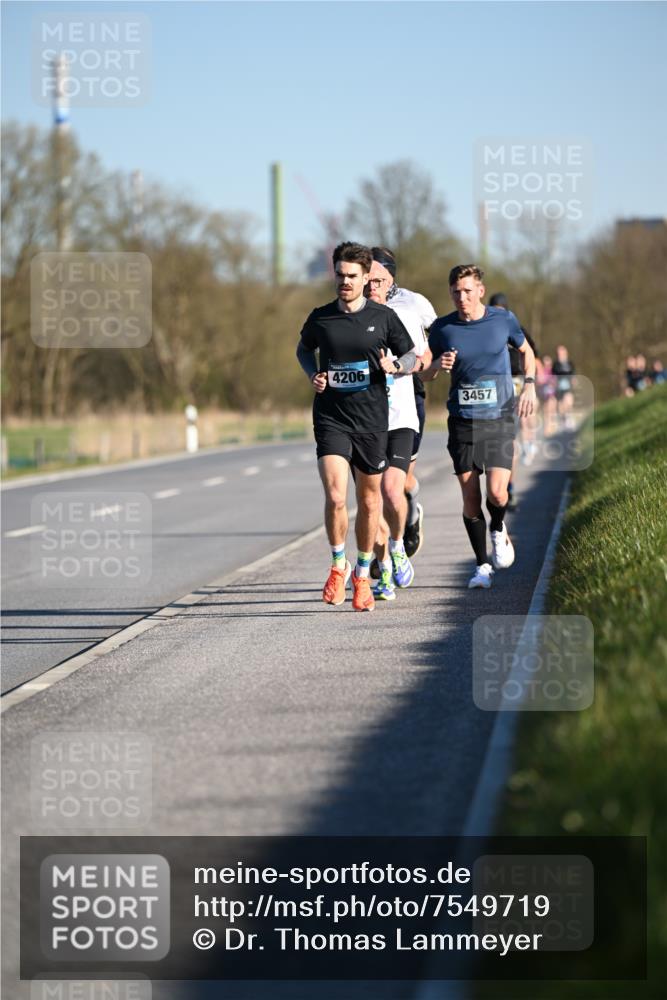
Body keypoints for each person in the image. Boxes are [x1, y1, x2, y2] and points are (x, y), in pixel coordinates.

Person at [296, 241, 416, 611]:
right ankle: (337, 565)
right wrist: (314, 373)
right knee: (335, 496)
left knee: (369, 500)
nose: (344, 282)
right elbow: (303, 350)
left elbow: (412, 354)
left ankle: (363, 574)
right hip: (331, 417)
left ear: (366, 277)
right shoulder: (321, 317)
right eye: (340, 275)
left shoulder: (383, 318)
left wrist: (397, 366)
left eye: (352, 276)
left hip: (371, 421)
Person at [423, 265, 536, 589]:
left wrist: (529, 386)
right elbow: (424, 372)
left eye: (468, 291)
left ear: (480, 291)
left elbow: (526, 352)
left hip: (499, 417)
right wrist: (435, 366)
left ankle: (498, 529)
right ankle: (482, 565)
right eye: (456, 292)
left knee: (498, 494)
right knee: (471, 498)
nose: (462, 297)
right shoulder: (443, 328)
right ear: (450, 293)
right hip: (462, 420)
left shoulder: (503, 320)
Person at [364, 249, 432, 600]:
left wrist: (413, 367)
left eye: (379, 279)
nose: (372, 285)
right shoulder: (350, 312)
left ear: (391, 278)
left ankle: (400, 538)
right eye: (367, 278)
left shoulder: (410, 305)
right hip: (363, 416)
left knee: (397, 487)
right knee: (370, 497)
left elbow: (426, 351)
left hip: (406, 402)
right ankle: (383, 568)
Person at [488, 293, 540, 510]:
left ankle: (509, 486)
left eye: (501, 311)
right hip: (492, 385)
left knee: (510, 437)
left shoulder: (515, 327)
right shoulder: (486, 330)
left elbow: (532, 354)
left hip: (515, 383)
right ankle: (496, 484)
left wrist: (529, 385)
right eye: (494, 311)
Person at [552, 345, 576, 428]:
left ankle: (569, 417)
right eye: (558, 353)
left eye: (562, 353)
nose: (560, 355)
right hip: (559, 388)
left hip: (568, 387)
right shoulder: (555, 364)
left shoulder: (570, 363)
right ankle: (563, 420)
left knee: (569, 401)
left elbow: (573, 375)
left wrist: (574, 381)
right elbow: (553, 376)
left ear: (566, 353)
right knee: (561, 406)